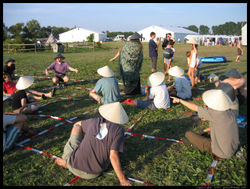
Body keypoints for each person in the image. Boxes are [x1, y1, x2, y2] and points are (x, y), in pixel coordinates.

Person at [55, 102, 131, 186]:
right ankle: (70, 163)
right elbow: (113, 156)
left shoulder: (95, 121)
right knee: (110, 152)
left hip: (74, 164)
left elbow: (77, 124)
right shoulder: (119, 130)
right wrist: (122, 179)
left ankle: (68, 163)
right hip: (93, 173)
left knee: (76, 127)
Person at [171, 89, 240, 159]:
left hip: (221, 152)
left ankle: (195, 143)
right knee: (206, 133)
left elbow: (195, 107)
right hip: (234, 147)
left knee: (188, 134)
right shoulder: (231, 112)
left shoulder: (214, 114)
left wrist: (180, 100)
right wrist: (205, 130)